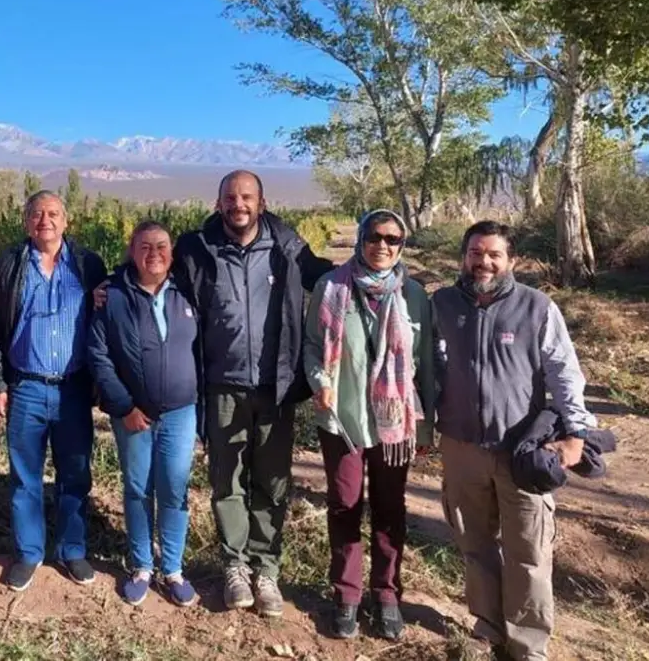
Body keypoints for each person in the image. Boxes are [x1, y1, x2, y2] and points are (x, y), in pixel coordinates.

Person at [171, 169, 334, 615]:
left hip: (275, 387)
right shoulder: (196, 249)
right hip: (221, 384)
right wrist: (110, 283)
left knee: (272, 481)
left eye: (246, 197)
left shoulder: (286, 249)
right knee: (227, 480)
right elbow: (151, 267)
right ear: (218, 201)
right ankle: (234, 565)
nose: (237, 204)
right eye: (230, 197)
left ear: (261, 203)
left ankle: (267, 570)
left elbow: (328, 277)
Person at [433, 221, 595, 661]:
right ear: (463, 256)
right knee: (475, 543)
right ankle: (487, 627)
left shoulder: (537, 307)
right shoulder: (443, 304)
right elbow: (429, 366)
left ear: (511, 262)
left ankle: (527, 645)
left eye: (493, 255)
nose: (482, 262)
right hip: (462, 447)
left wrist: (575, 434)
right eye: (474, 253)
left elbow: (565, 374)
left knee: (529, 551)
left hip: (520, 451)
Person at [303, 209, 435, 640]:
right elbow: (311, 346)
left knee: (389, 508)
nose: (383, 245)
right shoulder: (331, 287)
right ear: (361, 239)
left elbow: (426, 364)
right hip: (342, 417)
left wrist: (426, 425)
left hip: (393, 424)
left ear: (402, 246)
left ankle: (387, 594)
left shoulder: (415, 295)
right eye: (375, 236)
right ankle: (347, 594)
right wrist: (321, 380)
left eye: (393, 239)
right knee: (344, 504)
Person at [0, 190, 107, 591]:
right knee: (24, 477)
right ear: (25, 222)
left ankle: (72, 549)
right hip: (27, 387)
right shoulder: (9, 265)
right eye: (37, 214)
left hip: (73, 389)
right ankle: (29, 552)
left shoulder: (88, 265)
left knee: (75, 473)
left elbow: (110, 314)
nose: (45, 221)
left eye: (53, 213)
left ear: (66, 221)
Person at [88, 221, 200, 608]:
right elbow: (99, 356)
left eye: (162, 245)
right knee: (138, 489)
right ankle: (141, 566)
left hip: (182, 412)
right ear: (131, 250)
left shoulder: (188, 291)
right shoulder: (112, 296)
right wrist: (124, 407)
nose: (154, 253)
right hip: (133, 414)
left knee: (174, 487)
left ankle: (172, 569)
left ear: (173, 251)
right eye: (145, 246)